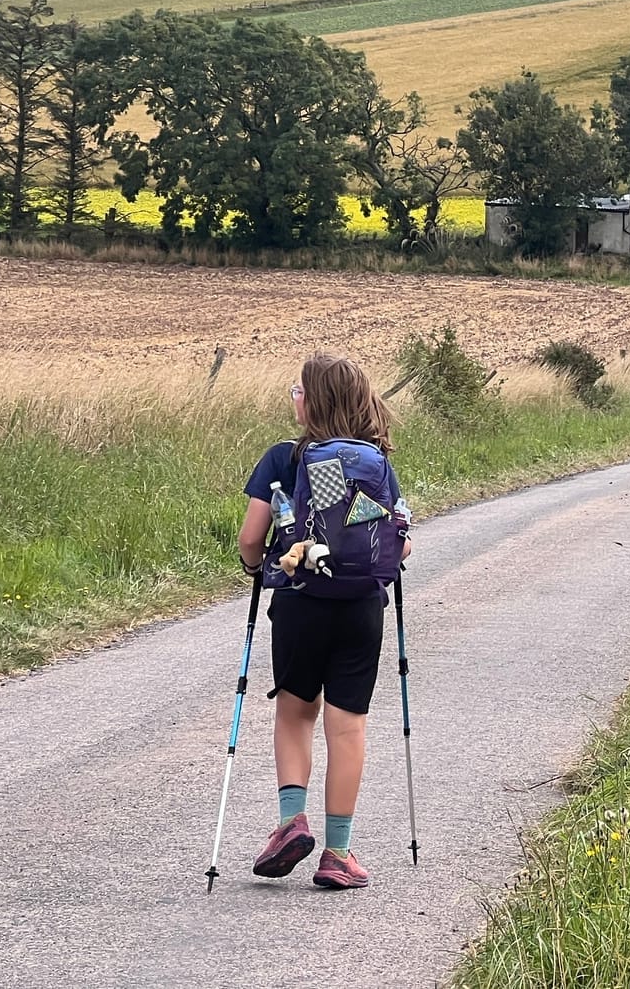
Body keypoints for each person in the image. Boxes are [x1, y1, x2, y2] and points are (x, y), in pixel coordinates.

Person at [235, 354, 412, 890]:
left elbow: (250, 537)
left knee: (294, 712)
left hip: (299, 599)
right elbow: (400, 539)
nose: (294, 396)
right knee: (348, 724)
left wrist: (255, 566)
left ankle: (291, 821)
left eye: (298, 389)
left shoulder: (282, 459)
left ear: (311, 402)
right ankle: (338, 853)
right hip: (360, 608)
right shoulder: (375, 460)